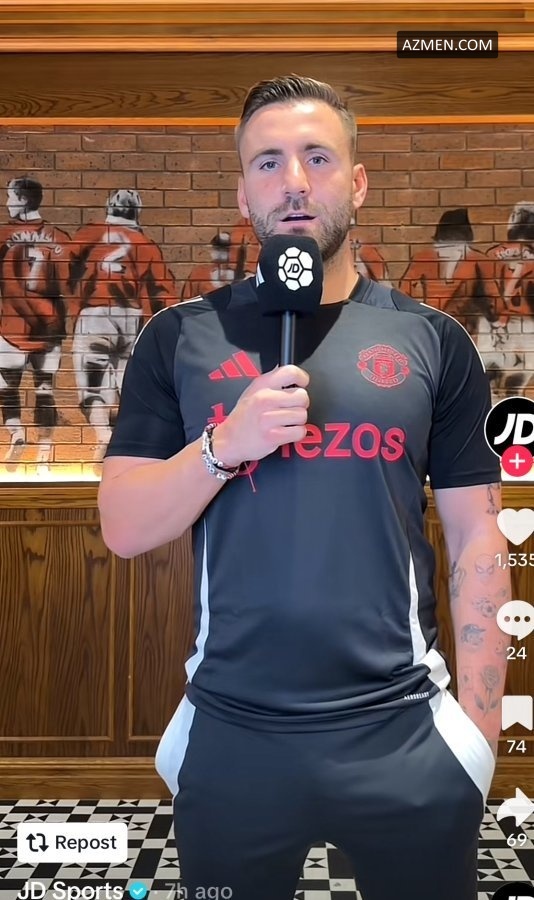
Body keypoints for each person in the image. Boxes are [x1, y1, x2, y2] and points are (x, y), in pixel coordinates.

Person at [98, 75, 511, 900]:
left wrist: (478, 738)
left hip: (405, 733)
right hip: (232, 732)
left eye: (318, 158)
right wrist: (226, 445)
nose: (293, 181)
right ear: (243, 193)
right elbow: (124, 526)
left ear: (356, 183)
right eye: (268, 162)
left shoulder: (432, 340)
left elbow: (477, 536)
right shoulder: (178, 337)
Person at [69, 189, 177, 462]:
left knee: (92, 387)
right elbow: (164, 292)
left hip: (94, 313)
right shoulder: (145, 243)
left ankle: (104, 436)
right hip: (130, 316)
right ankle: (131, 444)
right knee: (127, 385)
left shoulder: (91, 233)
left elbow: (63, 266)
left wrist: (73, 300)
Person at [0, 176, 71, 467]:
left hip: (12, 325)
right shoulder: (60, 238)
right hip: (49, 327)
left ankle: (17, 433)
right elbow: (69, 283)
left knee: (6, 386)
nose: (7, 202)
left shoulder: (3, 235)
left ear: (22, 199)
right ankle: (45, 452)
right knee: (45, 389)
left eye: (9, 196)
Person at [181, 231, 234, 300]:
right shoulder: (199, 274)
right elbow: (186, 302)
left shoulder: (242, 276)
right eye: (218, 248)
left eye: (226, 248)